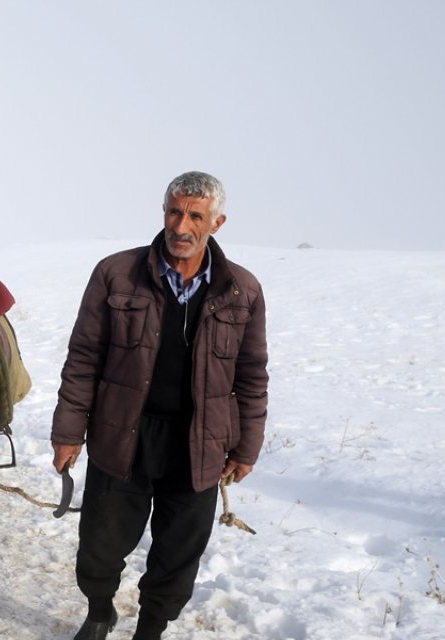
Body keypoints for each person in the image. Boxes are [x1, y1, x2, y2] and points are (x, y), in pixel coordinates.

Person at [50, 171, 269, 640]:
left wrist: (246, 447)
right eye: (174, 212)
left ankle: (149, 629)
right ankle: (99, 610)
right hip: (123, 432)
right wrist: (69, 431)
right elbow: (84, 356)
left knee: (178, 551)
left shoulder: (241, 290)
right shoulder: (116, 273)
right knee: (101, 544)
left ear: (217, 222)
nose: (182, 226)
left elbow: (252, 375)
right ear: (163, 213)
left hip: (199, 443)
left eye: (195, 216)